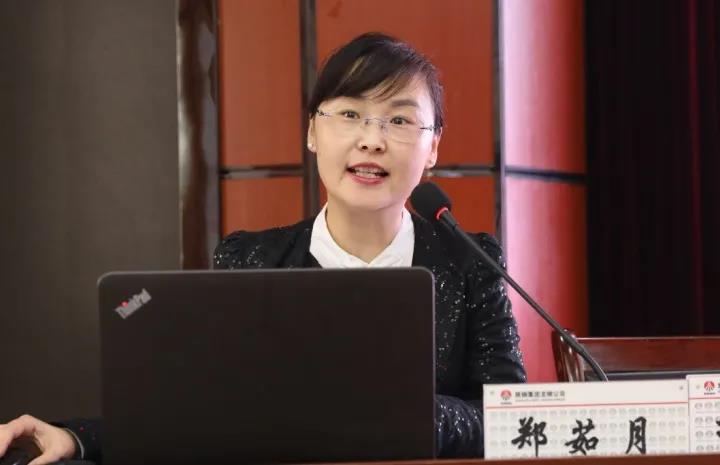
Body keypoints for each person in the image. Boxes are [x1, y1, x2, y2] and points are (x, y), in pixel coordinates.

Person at [0, 32, 526, 465]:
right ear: (312, 132)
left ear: (433, 147)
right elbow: (198, 418)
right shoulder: (251, 260)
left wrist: (415, 415)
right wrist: (78, 439)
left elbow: (510, 419)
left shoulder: (470, 261)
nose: (372, 139)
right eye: (349, 114)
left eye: (399, 120)